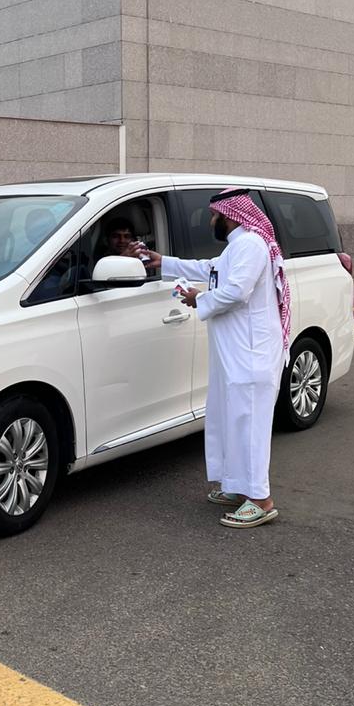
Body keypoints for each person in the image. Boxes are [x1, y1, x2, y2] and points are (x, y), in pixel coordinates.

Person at [132, 189, 291, 528]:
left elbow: (236, 291)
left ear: (230, 215)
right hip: (235, 354)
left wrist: (198, 298)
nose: (211, 221)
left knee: (249, 425)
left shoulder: (251, 245)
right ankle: (238, 487)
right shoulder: (237, 246)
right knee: (230, 420)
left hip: (251, 355)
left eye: (214, 215)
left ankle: (260, 500)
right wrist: (163, 262)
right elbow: (211, 269)